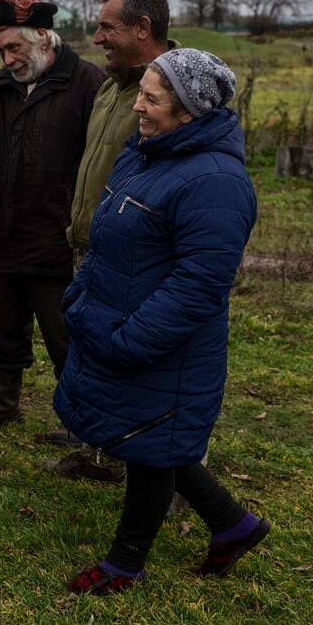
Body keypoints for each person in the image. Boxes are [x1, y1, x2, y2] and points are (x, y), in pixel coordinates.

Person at [55, 49, 268, 594]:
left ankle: (124, 565)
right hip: (119, 324)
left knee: (150, 444)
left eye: (152, 99)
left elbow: (199, 284)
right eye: (141, 94)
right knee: (151, 435)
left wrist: (129, 340)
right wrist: (81, 296)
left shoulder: (216, 182)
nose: (139, 108)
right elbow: (105, 239)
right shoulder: (145, 154)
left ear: (189, 113)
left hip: (162, 343)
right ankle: (233, 525)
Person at [0, 0, 104, 432]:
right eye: (1, 51)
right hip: (1, 232)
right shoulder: (2, 84)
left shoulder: (87, 83)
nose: (8, 59)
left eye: (13, 48)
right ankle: (1, 402)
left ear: (42, 36)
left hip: (52, 237)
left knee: (64, 337)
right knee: (0, 328)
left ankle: (80, 421)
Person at [46, 0, 176, 456]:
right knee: (95, 355)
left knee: (149, 367)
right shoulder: (108, 89)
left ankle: (167, 476)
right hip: (91, 249)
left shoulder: (178, 96)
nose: (97, 38)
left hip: (140, 256)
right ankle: (102, 451)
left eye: (107, 28)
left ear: (143, 28)